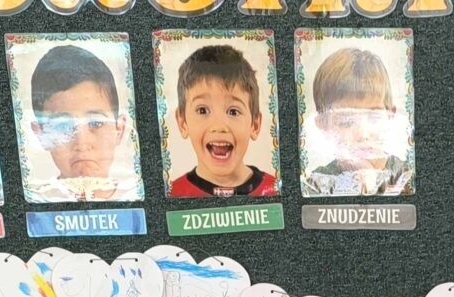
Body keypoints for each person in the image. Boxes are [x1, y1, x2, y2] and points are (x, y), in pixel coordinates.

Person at [25, 43, 132, 203]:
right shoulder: (35, 202)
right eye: (62, 126)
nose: (81, 143)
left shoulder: (134, 196)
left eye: (96, 123)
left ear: (119, 129)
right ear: (41, 134)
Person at [301, 45, 412, 198]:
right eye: (346, 122)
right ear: (323, 125)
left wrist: (374, 185)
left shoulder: (407, 178)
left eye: (374, 117)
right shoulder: (316, 184)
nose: (362, 134)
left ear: (390, 116)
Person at [168, 43, 277, 198]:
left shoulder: (276, 190)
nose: (219, 126)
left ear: (255, 125)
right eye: (202, 110)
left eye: (233, 112)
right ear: (182, 123)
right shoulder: (172, 195)